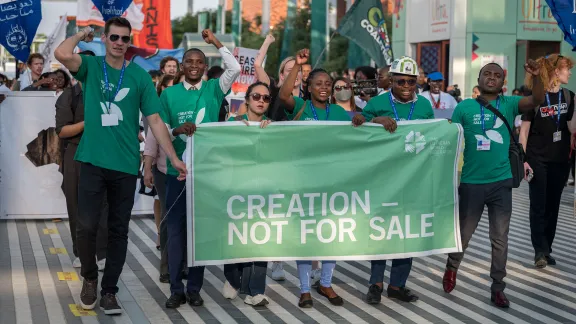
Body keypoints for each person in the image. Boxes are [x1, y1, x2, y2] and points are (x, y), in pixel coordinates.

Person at [54, 17, 187, 315]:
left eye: (124, 39)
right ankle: (89, 278)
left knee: (117, 231)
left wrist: (173, 158)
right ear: (105, 39)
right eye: (113, 37)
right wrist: (81, 35)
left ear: (129, 43)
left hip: (125, 166)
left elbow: (154, 120)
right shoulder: (90, 67)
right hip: (91, 161)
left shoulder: (138, 77)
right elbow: (61, 55)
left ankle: (109, 290)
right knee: (86, 226)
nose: (118, 43)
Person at [442, 60, 545, 308]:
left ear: (502, 82)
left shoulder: (509, 104)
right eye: (486, 74)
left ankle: (498, 287)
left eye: (496, 75)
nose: (491, 77)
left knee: (500, 238)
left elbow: (537, 100)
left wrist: (537, 76)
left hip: (501, 183)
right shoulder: (464, 107)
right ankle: (452, 266)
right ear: (478, 80)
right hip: (471, 183)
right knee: (463, 235)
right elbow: (448, 139)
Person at [160, 29, 240, 309]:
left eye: (199, 63)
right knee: (176, 232)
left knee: (200, 232)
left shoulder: (214, 88)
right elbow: (159, 130)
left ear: (205, 68)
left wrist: (215, 43)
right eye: (189, 62)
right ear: (182, 67)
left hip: (207, 174)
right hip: (178, 174)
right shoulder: (169, 95)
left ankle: (194, 288)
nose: (194, 66)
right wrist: (176, 129)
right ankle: (175, 288)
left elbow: (235, 67)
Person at [352, 56, 433, 305]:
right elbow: (358, 126)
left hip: (413, 178)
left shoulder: (425, 106)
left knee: (407, 230)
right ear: (391, 81)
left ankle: (397, 285)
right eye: (401, 81)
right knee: (382, 230)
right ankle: (375, 283)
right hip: (383, 178)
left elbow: (433, 136)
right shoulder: (376, 103)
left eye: (411, 81)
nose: (407, 85)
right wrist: (375, 120)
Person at [279, 48, 348, 308]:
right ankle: (305, 289)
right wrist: (297, 65)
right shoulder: (300, 106)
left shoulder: (340, 113)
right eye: (317, 83)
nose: (323, 87)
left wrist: (370, 119)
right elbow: (283, 95)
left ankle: (327, 283)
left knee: (331, 235)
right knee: (306, 236)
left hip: (332, 183)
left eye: (327, 84)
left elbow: (360, 135)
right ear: (308, 87)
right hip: (303, 182)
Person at [520, 54, 575, 269]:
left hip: (560, 160)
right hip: (537, 159)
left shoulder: (570, 97)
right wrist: (523, 161)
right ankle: (539, 251)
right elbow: (524, 132)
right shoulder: (536, 96)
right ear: (555, 71)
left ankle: (547, 249)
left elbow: (572, 129)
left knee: (553, 206)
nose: (569, 73)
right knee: (538, 206)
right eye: (566, 68)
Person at [55, 50, 108, 272]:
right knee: (76, 206)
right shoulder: (68, 96)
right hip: (76, 154)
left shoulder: (108, 94)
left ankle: (103, 253)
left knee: (104, 205)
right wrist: (89, 123)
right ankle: (81, 252)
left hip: (104, 153)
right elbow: (62, 131)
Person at [222, 82, 272, 307]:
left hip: (263, 191)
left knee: (261, 239)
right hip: (236, 190)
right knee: (237, 237)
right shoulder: (231, 124)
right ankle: (233, 278)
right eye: (256, 96)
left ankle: (256, 291)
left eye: (266, 98)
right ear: (247, 100)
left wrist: (273, 133)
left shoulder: (273, 128)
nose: (261, 100)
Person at [143, 73, 175, 284]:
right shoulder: (158, 110)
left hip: (191, 172)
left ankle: (183, 264)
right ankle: (167, 266)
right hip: (164, 171)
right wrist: (147, 168)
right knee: (167, 218)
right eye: (169, 87)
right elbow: (152, 141)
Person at [254, 34, 302, 122]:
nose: (294, 74)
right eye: (290, 71)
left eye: (298, 70)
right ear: (282, 75)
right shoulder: (273, 90)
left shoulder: (309, 95)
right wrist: (267, 41)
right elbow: (257, 65)